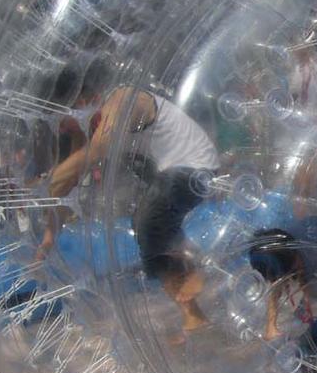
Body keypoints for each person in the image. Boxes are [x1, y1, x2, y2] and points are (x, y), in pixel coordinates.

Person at [47, 85, 220, 334]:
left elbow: (93, 153)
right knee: (145, 230)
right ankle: (193, 316)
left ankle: (199, 264)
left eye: (62, 120)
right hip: (165, 171)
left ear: (88, 100)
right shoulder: (87, 127)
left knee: (149, 223)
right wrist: (49, 233)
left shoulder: (123, 99)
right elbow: (68, 183)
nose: (60, 129)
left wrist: (47, 185)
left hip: (195, 166)